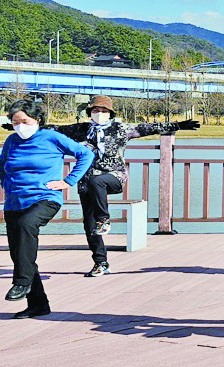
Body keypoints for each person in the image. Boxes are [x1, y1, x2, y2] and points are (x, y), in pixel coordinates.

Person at [55, 95, 199, 276]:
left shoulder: (120, 129)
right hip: (87, 183)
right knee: (89, 224)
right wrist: (21, 127)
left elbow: (148, 128)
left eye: (104, 111)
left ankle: (104, 219)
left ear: (111, 113)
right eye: (96, 110)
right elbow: (53, 130)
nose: (100, 114)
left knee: (97, 181)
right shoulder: (81, 130)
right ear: (90, 112)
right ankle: (101, 262)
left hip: (114, 177)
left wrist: (178, 125)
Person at [0, 98, 94, 318]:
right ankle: (39, 305)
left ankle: (21, 283)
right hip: (14, 202)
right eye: (15, 122)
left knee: (27, 224)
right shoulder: (11, 141)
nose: (20, 126)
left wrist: (68, 181)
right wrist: (5, 182)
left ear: (37, 120)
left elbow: (85, 154)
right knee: (20, 253)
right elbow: (1, 163)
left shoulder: (51, 137)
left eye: (24, 121)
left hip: (45, 198)